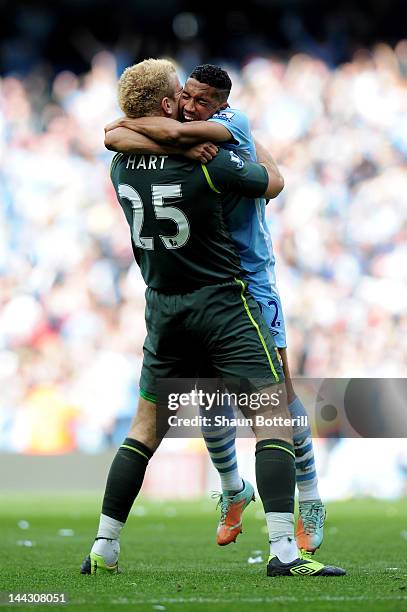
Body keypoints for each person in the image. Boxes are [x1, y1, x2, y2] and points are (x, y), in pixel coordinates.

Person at [81, 58, 344, 578]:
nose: (187, 101)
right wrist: (237, 142)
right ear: (165, 105)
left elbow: (117, 137)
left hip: (162, 305)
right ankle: (284, 550)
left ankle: (104, 546)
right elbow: (271, 183)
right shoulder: (210, 161)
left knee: (147, 426)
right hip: (225, 299)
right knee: (271, 413)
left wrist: (163, 134)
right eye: (180, 94)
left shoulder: (117, 164)